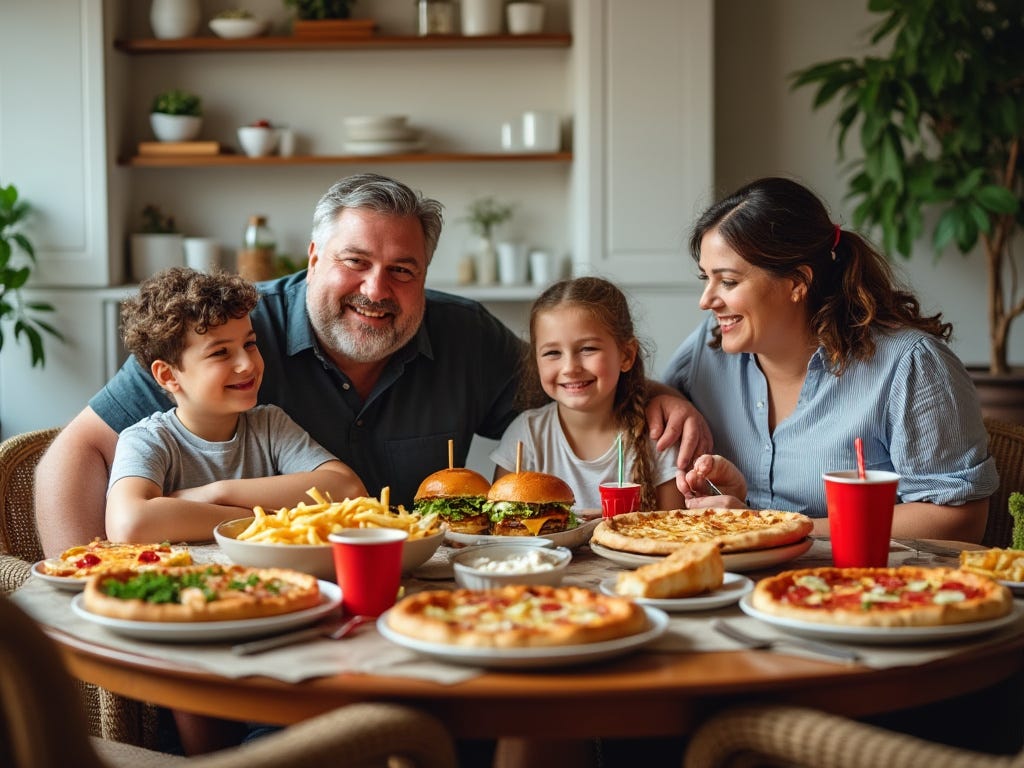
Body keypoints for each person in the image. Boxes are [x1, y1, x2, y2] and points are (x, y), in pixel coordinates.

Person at [35, 172, 711, 558]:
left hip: (431, 603)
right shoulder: (235, 333)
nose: (376, 290)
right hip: (277, 604)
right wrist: (88, 576)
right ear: (312, 260)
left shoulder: (465, 334)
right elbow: (79, 452)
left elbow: (571, 386)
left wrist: (650, 391)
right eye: (355, 263)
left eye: (403, 270)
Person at [668, 176, 997, 542]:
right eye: (705, 279)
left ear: (797, 282)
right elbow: (628, 394)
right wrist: (666, 399)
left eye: (727, 282)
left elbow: (959, 521)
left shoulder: (911, 364)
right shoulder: (709, 348)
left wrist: (768, 527)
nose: (706, 300)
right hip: (735, 585)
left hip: (871, 589)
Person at [106, 267, 367, 543]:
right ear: (168, 375)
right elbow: (129, 524)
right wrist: (263, 518)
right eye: (220, 352)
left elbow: (348, 489)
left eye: (250, 344)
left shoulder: (269, 426)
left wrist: (216, 493)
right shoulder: (147, 440)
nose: (246, 364)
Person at [491, 277, 689, 512]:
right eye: (553, 352)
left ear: (626, 355)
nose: (570, 367)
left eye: (588, 349)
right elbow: (501, 528)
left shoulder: (658, 436)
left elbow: (675, 531)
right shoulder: (527, 435)